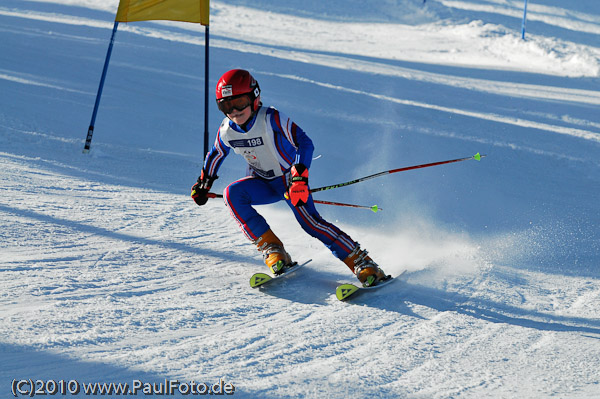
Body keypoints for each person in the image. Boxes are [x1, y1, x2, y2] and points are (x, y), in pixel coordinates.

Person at [191, 69, 388, 287]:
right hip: (262, 183)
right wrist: (203, 183)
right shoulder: (227, 130)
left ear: (254, 97)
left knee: (311, 223)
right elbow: (216, 153)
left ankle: (362, 262)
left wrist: (300, 178)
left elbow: (304, 143)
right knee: (232, 194)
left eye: (240, 102)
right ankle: (273, 250)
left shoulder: (270, 118)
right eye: (227, 106)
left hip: (289, 181)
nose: (235, 111)